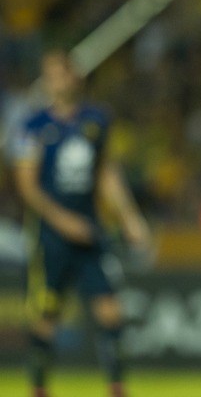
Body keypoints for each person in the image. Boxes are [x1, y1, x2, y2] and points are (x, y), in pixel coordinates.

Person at [11, 50, 152, 397]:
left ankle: (117, 387)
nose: (57, 81)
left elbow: (106, 173)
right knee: (46, 315)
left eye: (62, 73)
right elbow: (27, 186)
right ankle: (39, 388)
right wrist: (64, 222)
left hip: (90, 231)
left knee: (111, 312)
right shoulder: (33, 127)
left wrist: (130, 218)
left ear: (75, 77)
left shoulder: (96, 120)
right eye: (50, 75)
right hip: (49, 235)